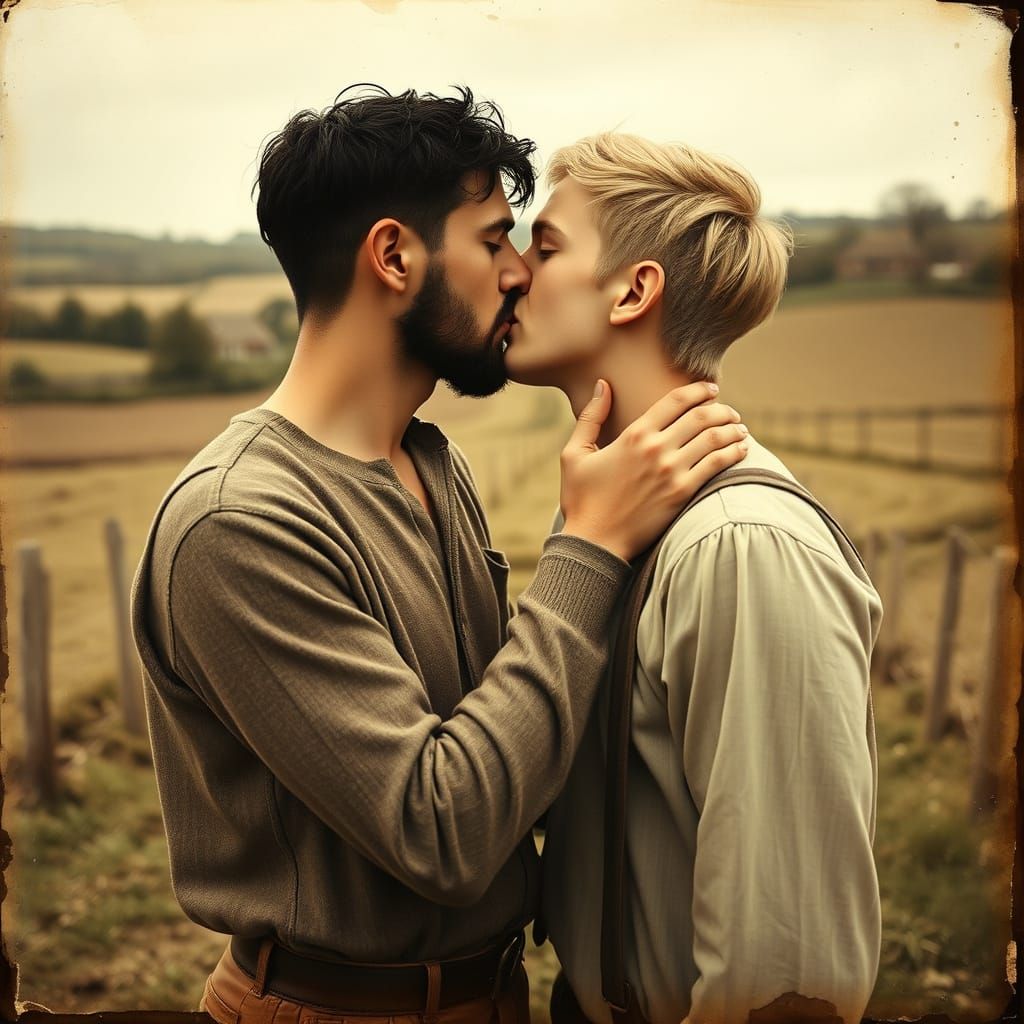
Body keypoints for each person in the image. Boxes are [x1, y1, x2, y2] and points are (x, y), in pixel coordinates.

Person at [129, 88, 750, 1024]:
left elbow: (513, 745)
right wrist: (588, 547)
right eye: (496, 240)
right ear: (393, 255)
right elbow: (444, 830)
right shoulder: (237, 522)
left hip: (494, 997)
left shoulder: (430, 462)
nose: (518, 274)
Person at [503, 134, 883, 1024]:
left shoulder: (742, 547)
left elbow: (788, 972)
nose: (515, 272)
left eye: (547, 246)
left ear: (633, 290)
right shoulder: (608, 513)